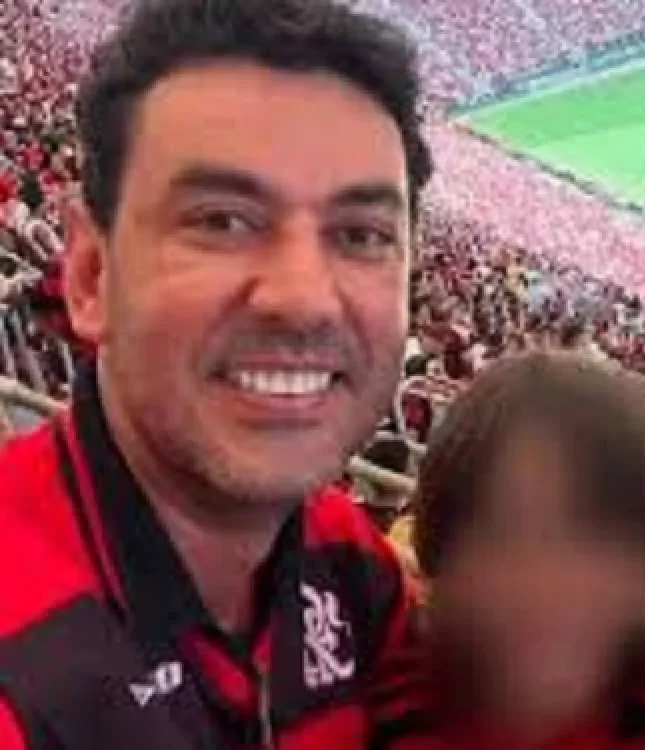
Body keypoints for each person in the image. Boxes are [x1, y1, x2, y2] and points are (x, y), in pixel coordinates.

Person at [0, 0, 432, 747]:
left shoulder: (351, 559)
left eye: (362, 235)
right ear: (90, 275)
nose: (303, 300)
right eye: (222, 221)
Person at [386, 351, 645, 750]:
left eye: (598, 535)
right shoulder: (382, 706)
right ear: (441, 562)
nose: (547, 583)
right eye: (503, 532)